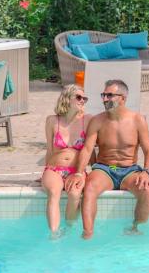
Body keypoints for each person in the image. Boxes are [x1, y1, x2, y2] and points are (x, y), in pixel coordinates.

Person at [65, 79, 149, 239]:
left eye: (109, 95)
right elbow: (87, 149)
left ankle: (135, 228)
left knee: (146, 190)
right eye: (103, 95)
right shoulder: (97, 120)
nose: (104, 99)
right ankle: (87, 233)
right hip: (106, 169)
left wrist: (146, 172)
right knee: (90, 187)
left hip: (129, 170)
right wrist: (79, 173)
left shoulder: (137, 120)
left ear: (123, 98)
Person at [42, 84, 93, 237]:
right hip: (54, 168)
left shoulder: (87, 120)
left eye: (85, 98)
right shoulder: (52, 121)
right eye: (78, 97)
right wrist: (45, 171)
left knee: (75, 194)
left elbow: (90, 148)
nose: (82, 100)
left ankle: (68, 228)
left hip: (76, 170)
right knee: (53, 192)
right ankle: (53, 234)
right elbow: (50, 149)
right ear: (67, 98)